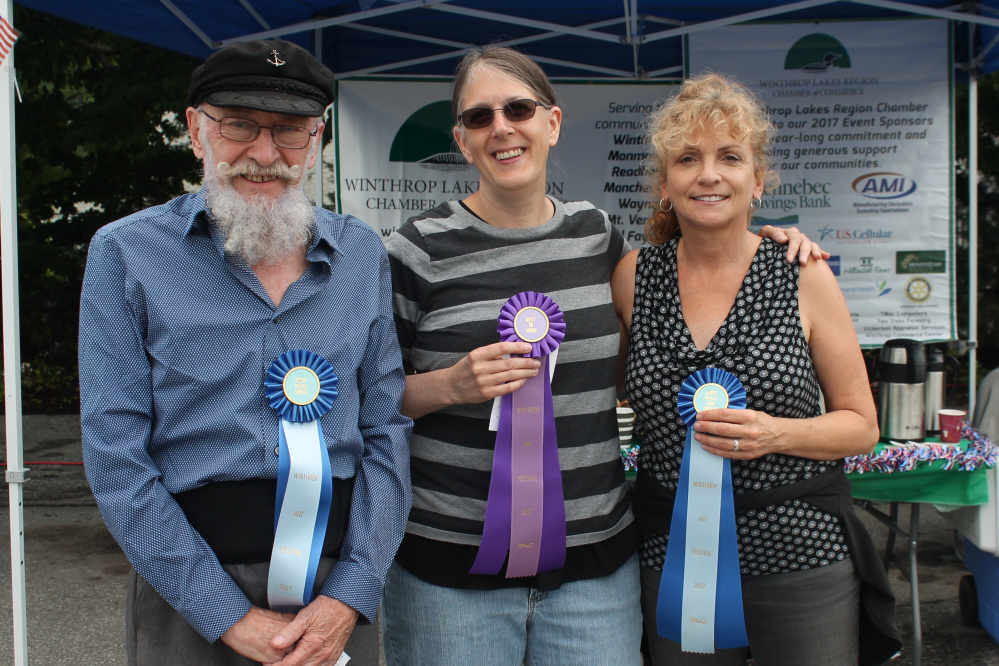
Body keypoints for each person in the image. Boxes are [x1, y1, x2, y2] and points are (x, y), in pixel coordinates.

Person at [382, 47, 822, 665]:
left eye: (519, 109)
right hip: (450, 572)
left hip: (595, 573)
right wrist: (449, 386)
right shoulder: (415, 249)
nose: (502, 128)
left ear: (552, 123)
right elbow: (364, 398)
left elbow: (690, 265)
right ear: (462, 140)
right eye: (480, 118)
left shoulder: (596, 236)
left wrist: (770, 237)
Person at [79, 40, 412, 666]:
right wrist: (221, 611)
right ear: (197, 131)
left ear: (317, 139)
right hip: (185, 594)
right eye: (239, 126)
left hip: (332, 596)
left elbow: (385, 431)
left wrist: (353, 592)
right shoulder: (126, 252)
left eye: (289, 132)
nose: (264, 154)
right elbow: (113, 448)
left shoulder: (363, 256)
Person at [611, 73, 902, 665]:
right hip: (672, 558)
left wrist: (778, 433)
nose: (709, 174)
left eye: (730, 157)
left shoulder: (803, 273)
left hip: (799, 554)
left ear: (757, 181)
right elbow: (609, 392)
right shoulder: (634, 276)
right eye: (688, 158)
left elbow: (862, 424)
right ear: (665, 184)